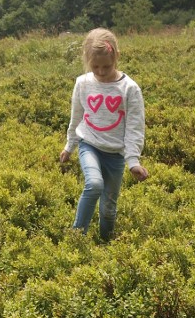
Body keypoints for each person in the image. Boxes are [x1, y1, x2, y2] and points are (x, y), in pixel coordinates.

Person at [60, 28, 148, 241]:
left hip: (115, 154)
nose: (100, 71)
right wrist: (69, 146)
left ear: (117, 55)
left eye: (106, 66)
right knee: (94, 184)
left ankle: (105, 243)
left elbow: (135, 127)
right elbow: (77, 116)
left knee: (109, 207)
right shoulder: (83, 83)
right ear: (87, 60)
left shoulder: (129, 89)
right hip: (89, 144)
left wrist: (133, 160)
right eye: (95, 66)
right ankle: (77, 237)